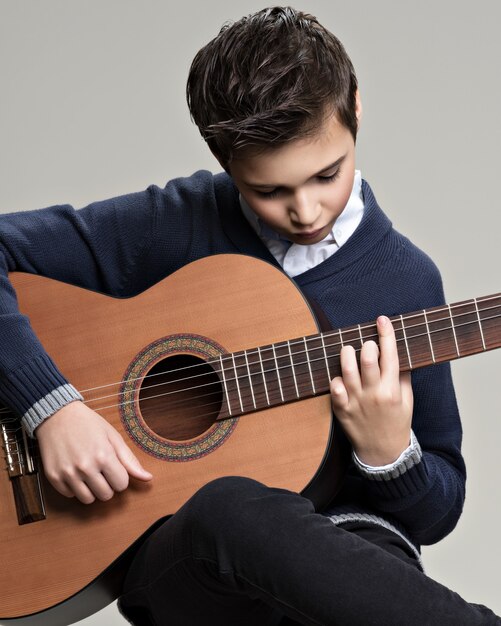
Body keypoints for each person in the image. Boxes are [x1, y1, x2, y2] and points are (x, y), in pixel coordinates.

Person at [0, 6, 499, 625]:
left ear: (356, 111)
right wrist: (50, 406)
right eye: (269, 191)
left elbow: (438, 513)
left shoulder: (406, 280)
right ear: (225, 159)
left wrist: (389, 452)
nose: (307, 209)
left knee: (366, 573)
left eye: (327, 173)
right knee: (229, 508)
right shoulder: (177, 221)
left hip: (349, 552)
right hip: (188, 557)